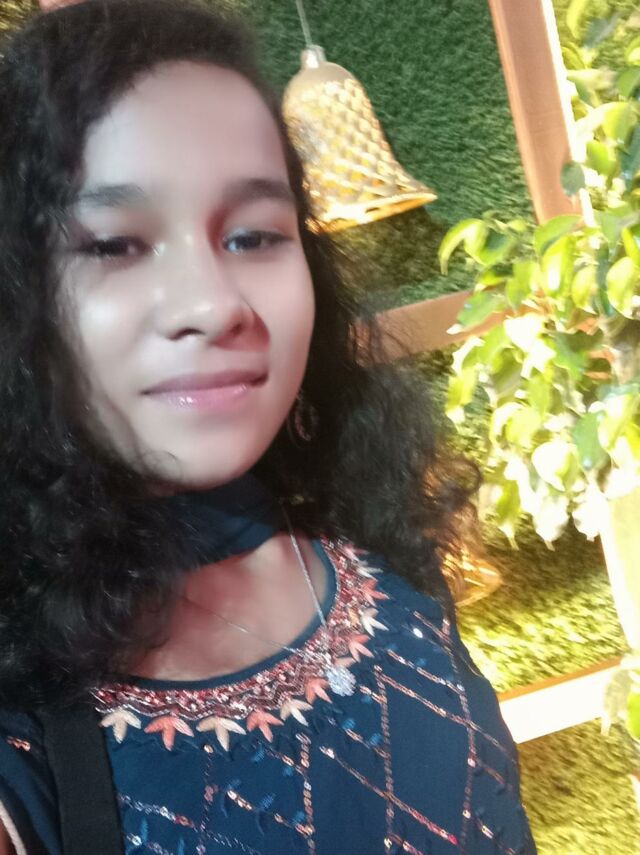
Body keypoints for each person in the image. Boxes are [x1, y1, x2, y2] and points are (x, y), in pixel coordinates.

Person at [0, 0, 538, 852]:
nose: (215, 303)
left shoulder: (380, 548)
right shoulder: (22, 715)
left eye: (253, 236)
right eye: (113, 245)